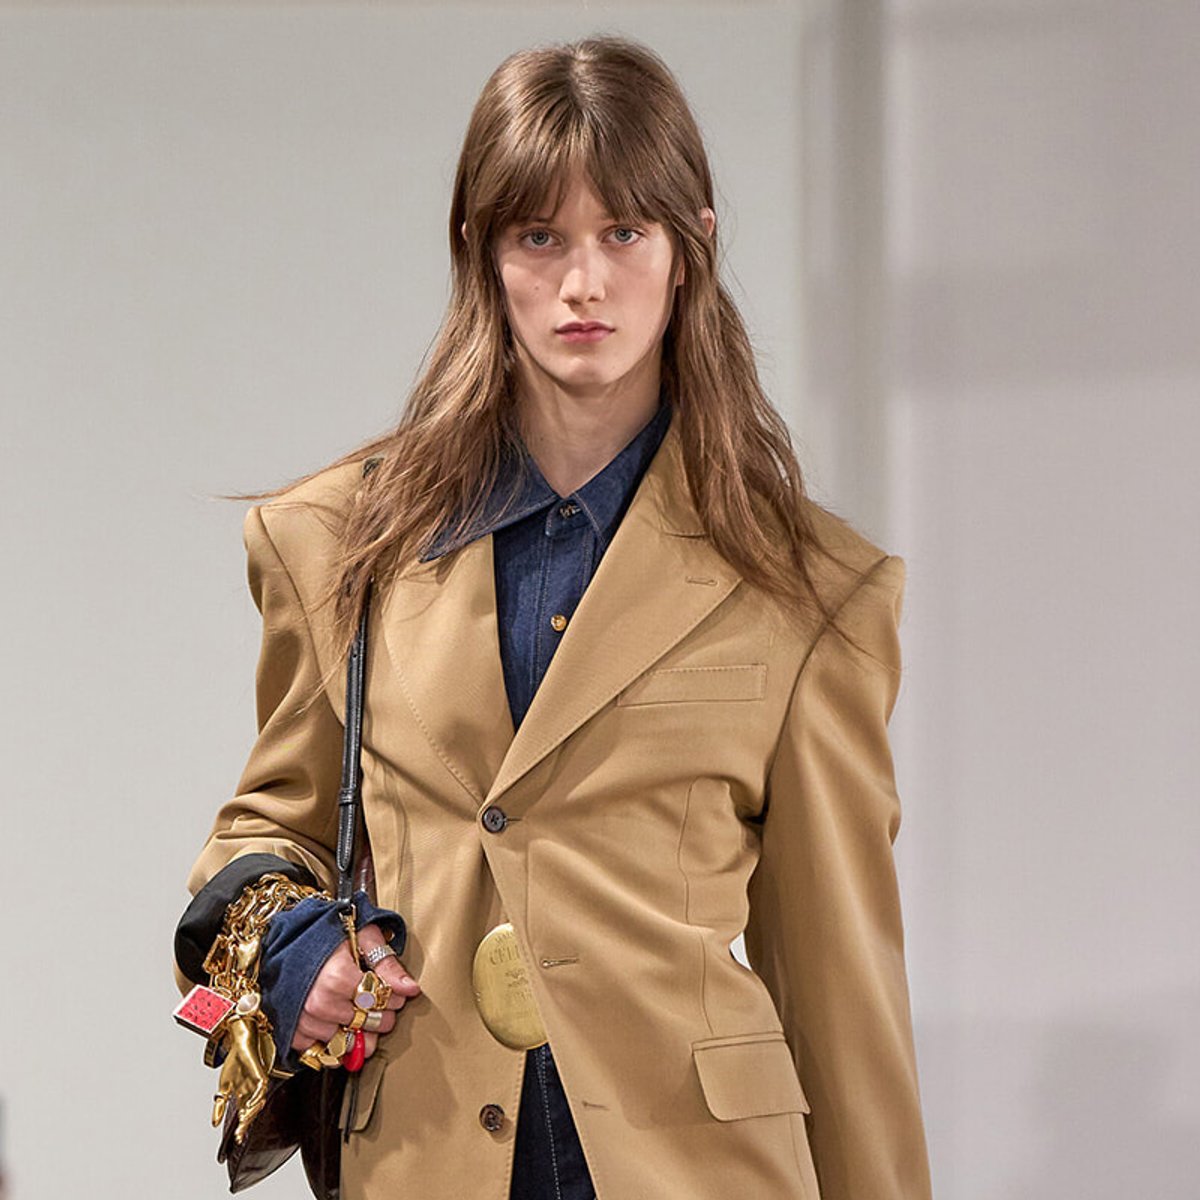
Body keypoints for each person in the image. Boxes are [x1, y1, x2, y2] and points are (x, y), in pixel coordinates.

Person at [174, 34, 932, 1200]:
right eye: (541, 236)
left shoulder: (811, 590)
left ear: (693, 249)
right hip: (424, 1156)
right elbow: (267, 827)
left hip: (704, 1169)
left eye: (625, 232)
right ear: (480, 253)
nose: (585, 284)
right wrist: (298, 948)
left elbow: (840, 984)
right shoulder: (335, 544)